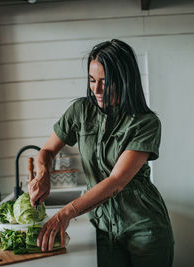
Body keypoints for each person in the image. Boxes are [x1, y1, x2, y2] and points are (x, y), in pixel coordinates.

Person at [28, 39, 174, 267]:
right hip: (101, 227)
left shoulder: (146, 123)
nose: (95, 90)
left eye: (105, 83)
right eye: (92, 80)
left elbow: (116, 182)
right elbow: (46, 150)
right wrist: (43, 174)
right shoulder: (79, 111)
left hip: (144, 226)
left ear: (124, 81)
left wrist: (66, 213)